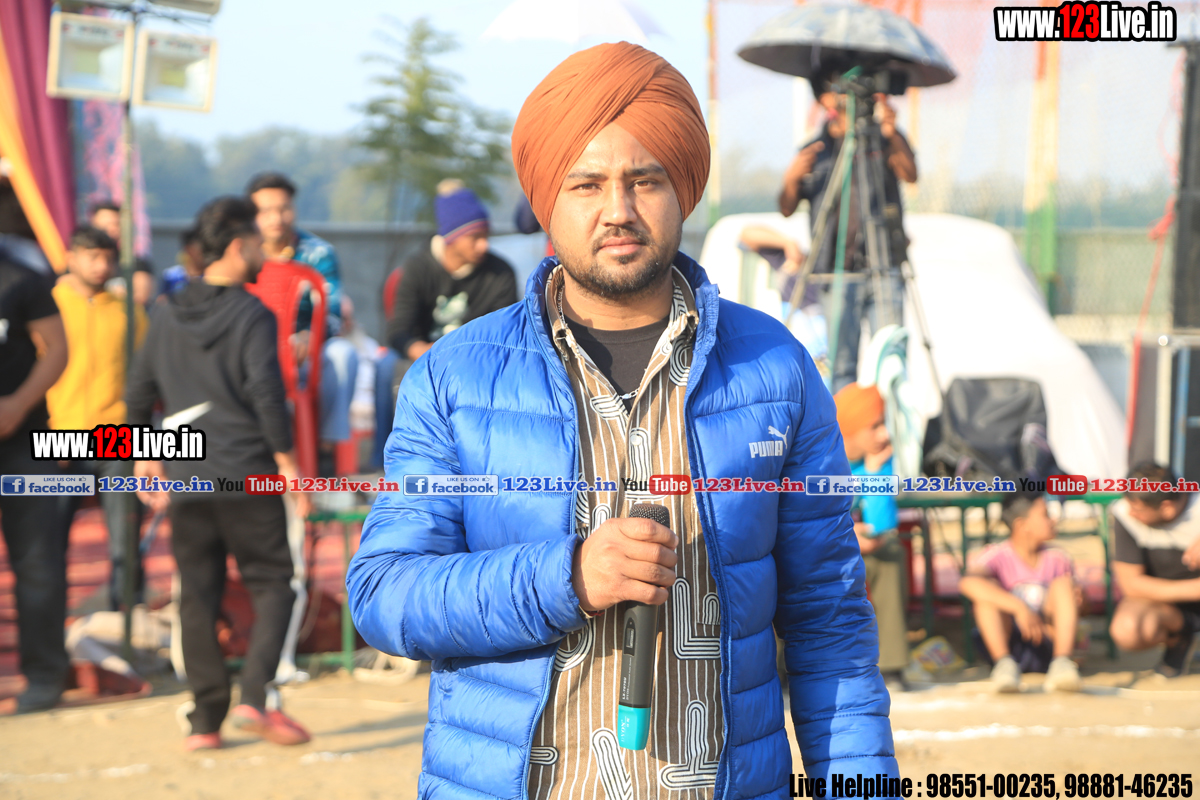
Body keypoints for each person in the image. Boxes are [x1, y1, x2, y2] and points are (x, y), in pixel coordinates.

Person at [348, 42, 897, 799]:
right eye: (587, 184)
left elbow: (828, 619)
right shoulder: (455, 377)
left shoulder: (775, 369)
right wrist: (567, 576)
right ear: (547, 201)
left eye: (644, 180)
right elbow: (385, 592)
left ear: (683, 190)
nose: (618, 210)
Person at [126, 195, 311, 751]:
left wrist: (145, 459)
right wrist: (289, 467)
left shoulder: (163, 312)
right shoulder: (252, 313)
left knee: (198, 596)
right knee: (274, 584)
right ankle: (254, 697)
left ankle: (206, 721)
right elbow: (266, 394)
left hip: (187, 476)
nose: (262, 252)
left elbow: (137, 394)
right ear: (236, 246)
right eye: (255, 242)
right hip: (247, 473)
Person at [778, 68, 917, 394]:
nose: (847, 96)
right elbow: (786, 207)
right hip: (835, 273)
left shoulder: (882, 140)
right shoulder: (815, 150)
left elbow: (910, 174)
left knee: (892, 361)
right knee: (840, 366)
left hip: (884, 268)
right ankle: (844, 426)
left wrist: (892, 135)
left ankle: (891, 425)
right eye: (839, 87)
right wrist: (792, 178)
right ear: (825, 98)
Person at [374, 181, 518, 465]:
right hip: (422, 355)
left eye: (486, 236)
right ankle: (386, 457)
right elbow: (398, 330)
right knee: (385, 368)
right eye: (475, 237)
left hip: (477, 359)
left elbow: (505, 335)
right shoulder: (417, 269)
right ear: (452, 237)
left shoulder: (500, 273)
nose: (484, 244)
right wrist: (423, 351)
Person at [45, 225, 148, 610]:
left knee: (125, 539)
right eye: (92, 257)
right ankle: (50, 623)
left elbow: (145, 375)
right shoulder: (47, 305)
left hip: (117, 436)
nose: (101, 266)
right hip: (59, 434)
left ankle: (127, 619)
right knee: (48, 540)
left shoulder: (129, 311)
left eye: (108, 258)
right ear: (71, 258)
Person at [246, 172, 358, 476]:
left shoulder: (318, 253)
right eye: (265, 211)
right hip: (254, 351)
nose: (276, 218)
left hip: (305, 352)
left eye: (283, 208)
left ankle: (325, 451)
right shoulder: (244, 253)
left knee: (343, 355)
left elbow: (333, 309)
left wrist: (310, 336)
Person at [0, 256, 69, 712]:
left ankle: (45, 676)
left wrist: (18, 404)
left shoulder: (21, 278)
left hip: (24, 442)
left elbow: (58, 348)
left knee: (38, 562)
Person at [960, 492, 1082, 693]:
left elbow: (1079, 606)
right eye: (1045, 514)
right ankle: (1004, 665)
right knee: (986, 592)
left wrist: (1080, 600)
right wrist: (1020, 608)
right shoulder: (996, 555)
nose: (1053, 520)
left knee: (1063, 585)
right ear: (1021, 524)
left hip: (1046, 640)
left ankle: (1062, 662)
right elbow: (967, 583)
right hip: (1010, 640)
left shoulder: (1058, 558)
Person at [833, 383, 912, 689]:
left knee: (889, 552)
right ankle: (784, 667)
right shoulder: (817, 458)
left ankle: (891, 665)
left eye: (884, 424)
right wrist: (844, 535)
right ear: (851, 430)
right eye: (874, 426)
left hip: (852, 545)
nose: (884, 434)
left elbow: (881, 527)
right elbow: (798, 513)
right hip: (814, 543)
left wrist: (877, 471)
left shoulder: (877, 457)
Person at [1109, 462, 1200, 677]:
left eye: (1138, 509)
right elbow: (1132, 585)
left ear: (1167, 507)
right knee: (1127, 629)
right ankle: (1181, 637)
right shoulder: (1125, 515)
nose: (1131, 513)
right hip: (1163, 606)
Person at [89, 200, 155, 308]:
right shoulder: (78, 263)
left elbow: (140, 297)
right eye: (105, 225)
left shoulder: (136, 264)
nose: (111, 229)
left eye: (116, 224)